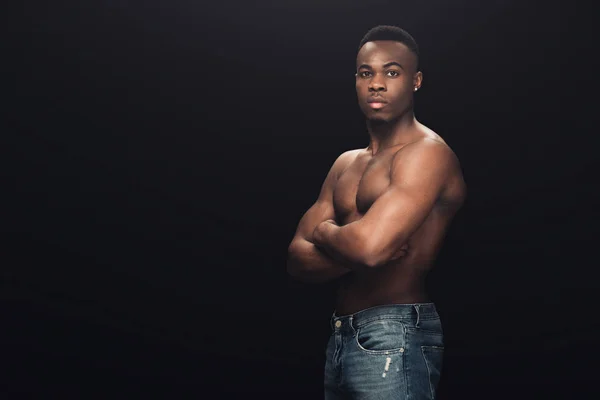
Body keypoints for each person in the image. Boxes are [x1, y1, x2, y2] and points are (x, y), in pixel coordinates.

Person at [286, 25, 467, 399]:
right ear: (355, 80)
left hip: (395, 330)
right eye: (366, 73)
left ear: (415, 81)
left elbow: (370, 249)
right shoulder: (345, 164)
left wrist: (325, 234)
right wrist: (354, 245)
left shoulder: (426, 153)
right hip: (340, 333)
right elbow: (296, 260)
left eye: (392, 72)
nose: (377, 84)